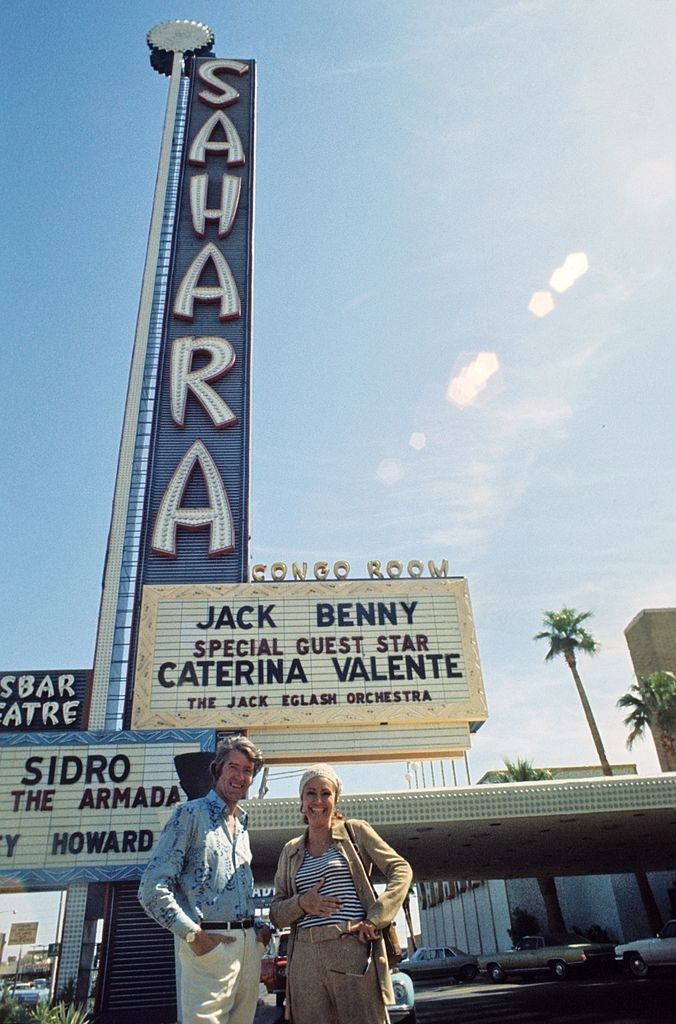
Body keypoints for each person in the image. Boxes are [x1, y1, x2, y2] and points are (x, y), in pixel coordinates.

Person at [138, 735, 271, 1024]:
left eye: (248, 771)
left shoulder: (242, 826)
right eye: (233, 767)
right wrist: (194, 937)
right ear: (218, 770)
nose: (240, 776)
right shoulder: (190, 814)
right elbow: (151, 888)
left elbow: (231, 894)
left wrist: (258, 932)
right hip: (210, 948)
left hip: (248, 951)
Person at [270, 763, 412, 1024]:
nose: (318, 801)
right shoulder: (290, 850)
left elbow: (401, 869)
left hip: (350, 948)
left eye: (326, 793)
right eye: (311, 793)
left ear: (336, 798)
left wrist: (376, 917)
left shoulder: (355, 832)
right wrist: (302, 902)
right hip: (304, 958)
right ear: (301, 800)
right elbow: (276, 914)